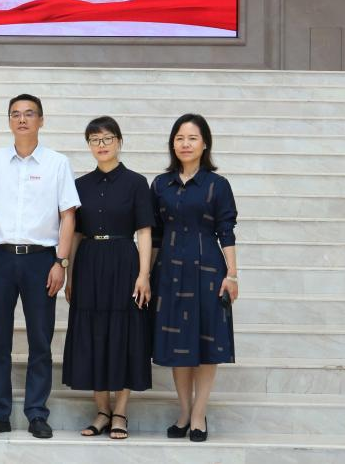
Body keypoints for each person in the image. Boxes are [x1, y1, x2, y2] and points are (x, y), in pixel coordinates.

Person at [0, 94, 79, 439]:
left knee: (40, 341)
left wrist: (61, 261)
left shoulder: (57, 163)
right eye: (15, 114)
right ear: (9, 121)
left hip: (41, 260)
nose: (22, 119)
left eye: (29, 114)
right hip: (0, 258)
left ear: (41, 121)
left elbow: (68, 215)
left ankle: (36, 413)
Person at [62, 116, 154, 440]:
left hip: (124, 261)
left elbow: (144, 231)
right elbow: (75, 234)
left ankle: (121, 412)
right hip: (89, 262)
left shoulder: (136, 183)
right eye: (95, 140)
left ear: (119, 141)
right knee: (93, 334)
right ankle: (102, 411)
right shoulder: (80, 185)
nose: (101, 145)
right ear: (89, 145)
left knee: (124, 332)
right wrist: (70, 274)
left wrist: (144, 274)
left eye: (107, 139)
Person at [150, 113, 239, 442]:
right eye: (179, 138)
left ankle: (199, 414)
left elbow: (226, 231)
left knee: (205, 342)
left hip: (208, 272)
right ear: (172, 144)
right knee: (178, 342)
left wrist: (232, 275)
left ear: (204, 144)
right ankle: (184, 411)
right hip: (169, 272)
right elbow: (155, 235)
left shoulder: (218, 185)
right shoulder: (160, 184)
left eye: (192, 138)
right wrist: (147, 275)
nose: (185, 144)